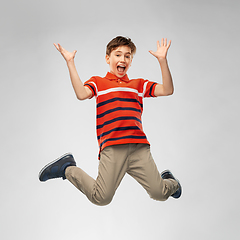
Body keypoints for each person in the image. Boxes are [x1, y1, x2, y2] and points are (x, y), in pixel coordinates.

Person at [39, 36, 182, 206]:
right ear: (108, 58)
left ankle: (170, 182)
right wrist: (70, 62)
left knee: (160, 193)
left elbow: (167, 90)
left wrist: (162, 61)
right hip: (113, 148)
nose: (123, 59)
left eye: (127, 56)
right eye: (118, 55)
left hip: (139, 148)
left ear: (131, 61)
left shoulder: (138, 84)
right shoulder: (99, 83)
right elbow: (81, 94)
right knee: (101, 198)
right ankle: (67, 168)